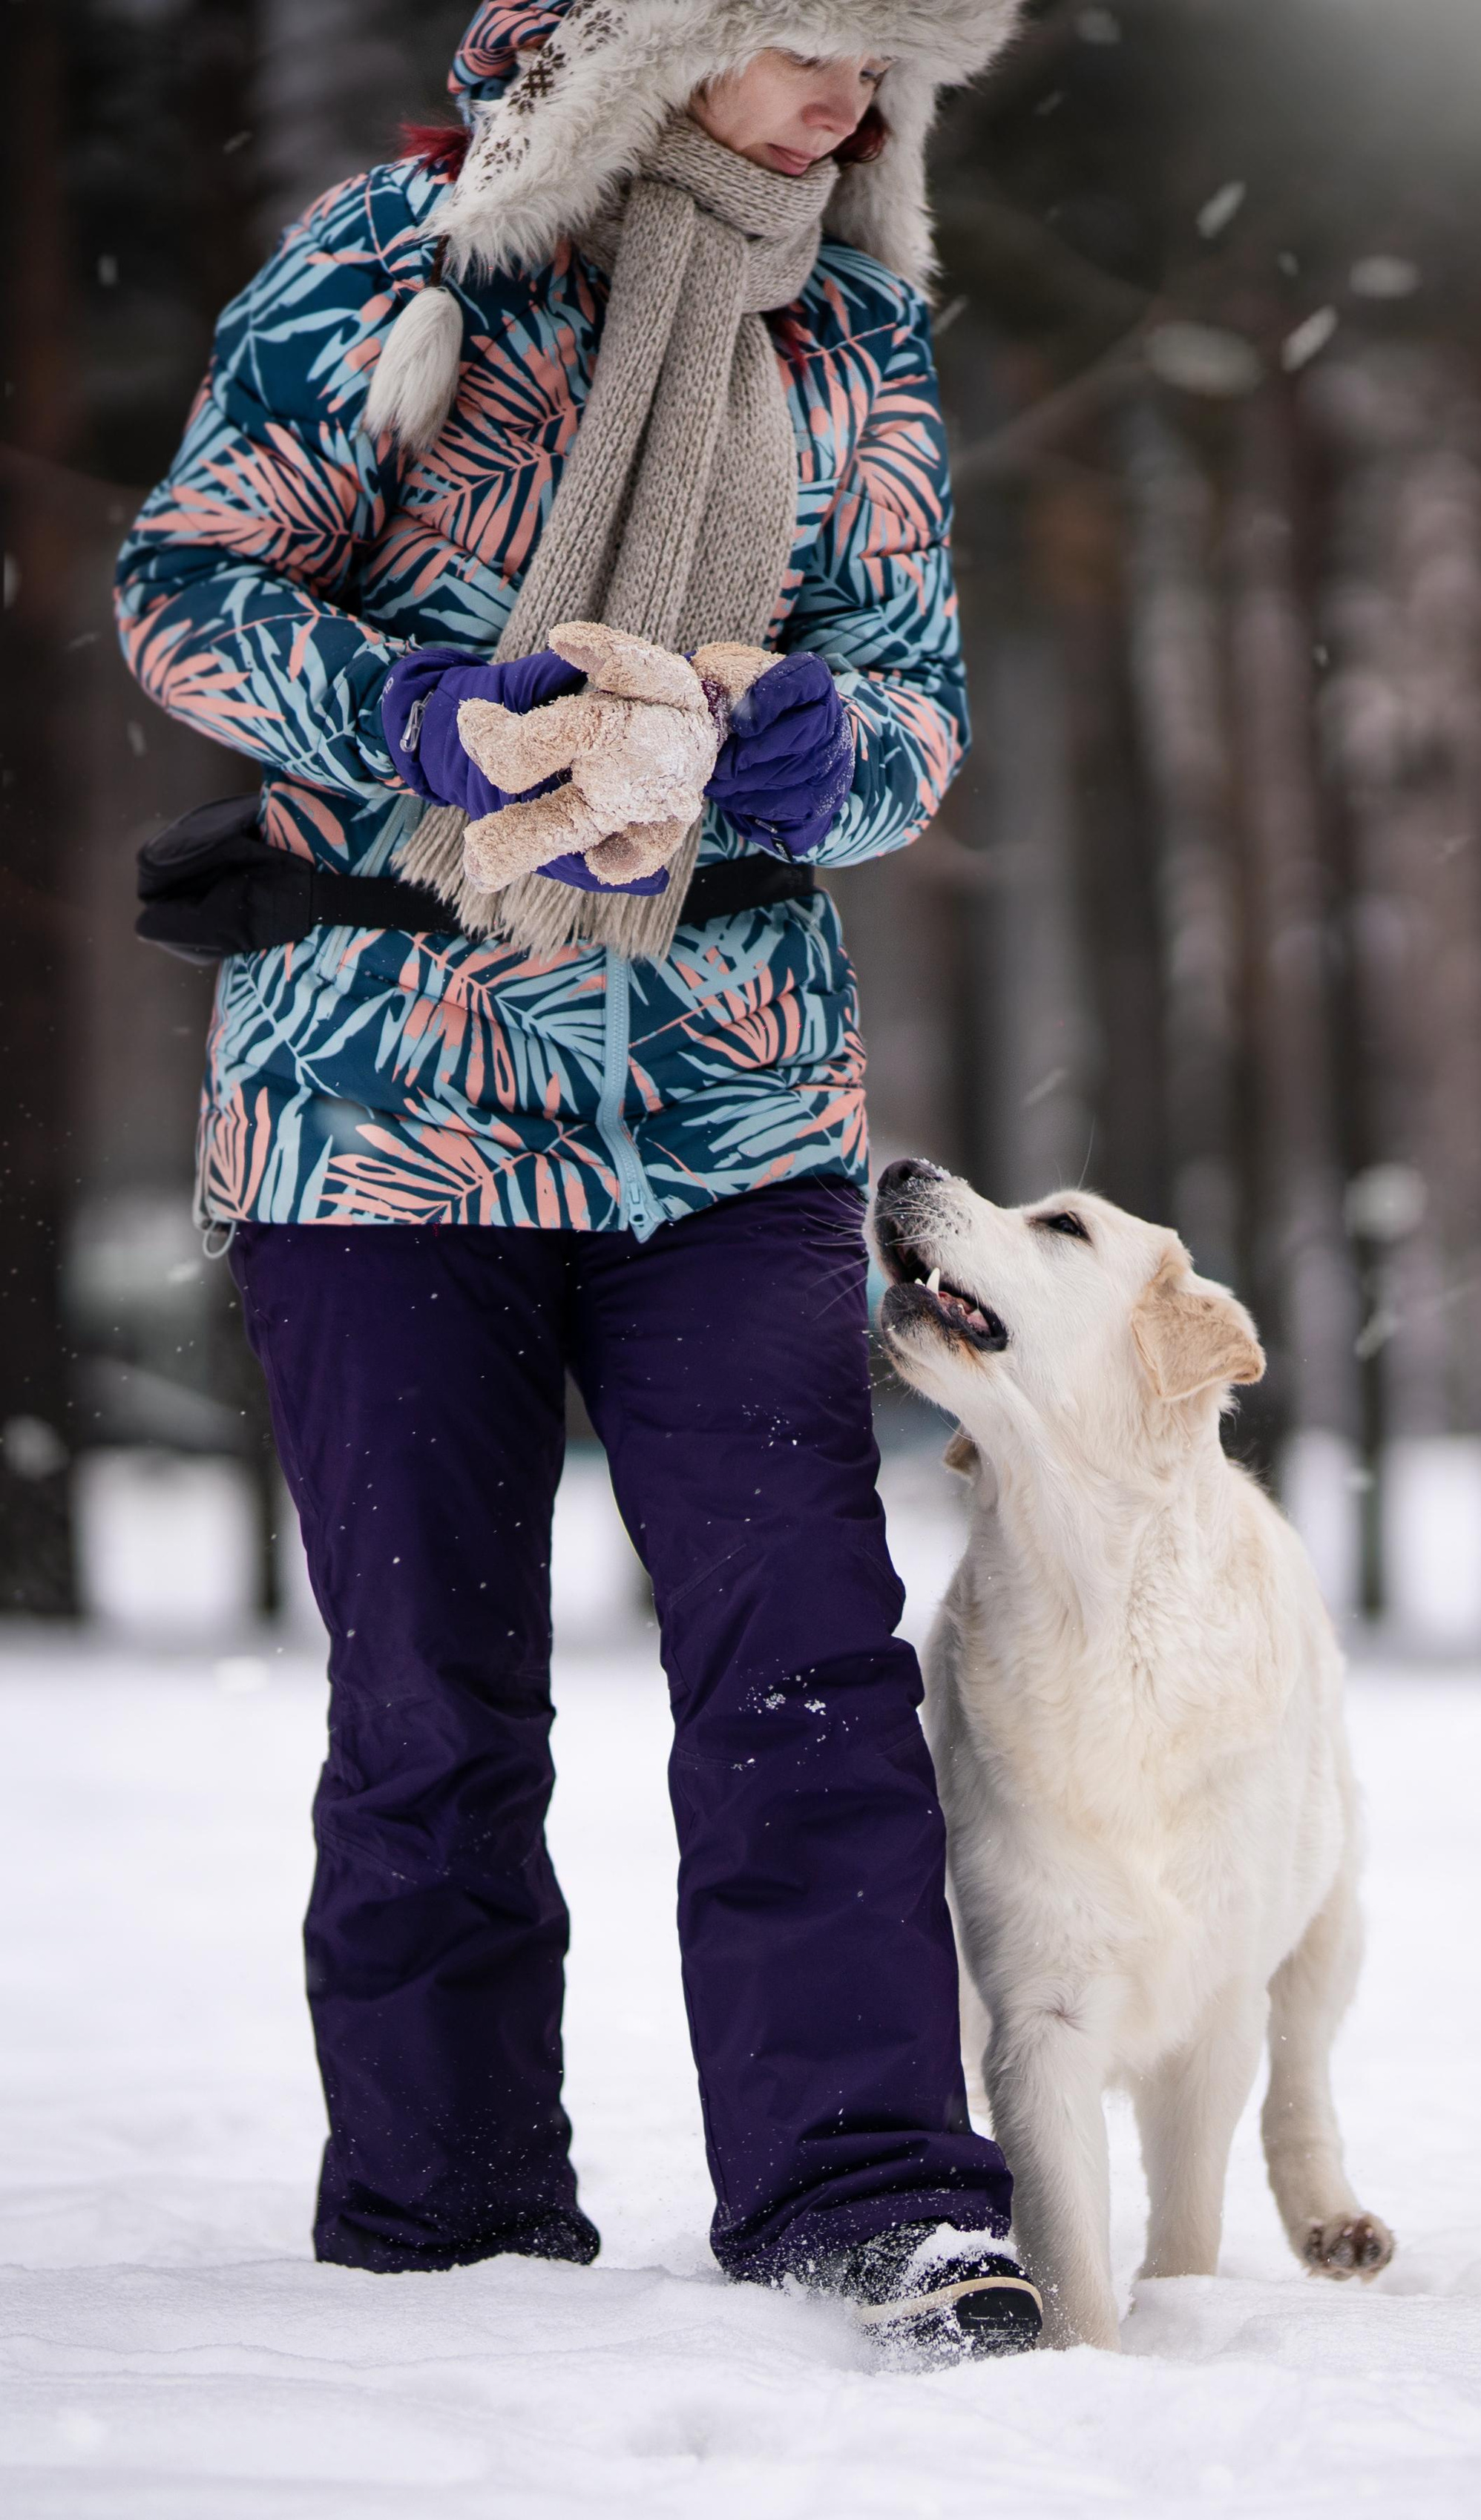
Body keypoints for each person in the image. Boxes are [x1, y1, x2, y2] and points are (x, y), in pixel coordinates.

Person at [115, 0, 1036, 2358]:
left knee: (807, 1668)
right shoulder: (400, 267)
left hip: (728, 1105)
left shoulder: (851, 340)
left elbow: (916, 711)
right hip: (376, 1091)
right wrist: (412, 711)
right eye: (806, 44)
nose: (850, 101)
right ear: (648, 51)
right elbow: (192, 590)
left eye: (886, 64)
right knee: (431, 1690)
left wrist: (828, 750)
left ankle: (872, 2195)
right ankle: (443, 2219)